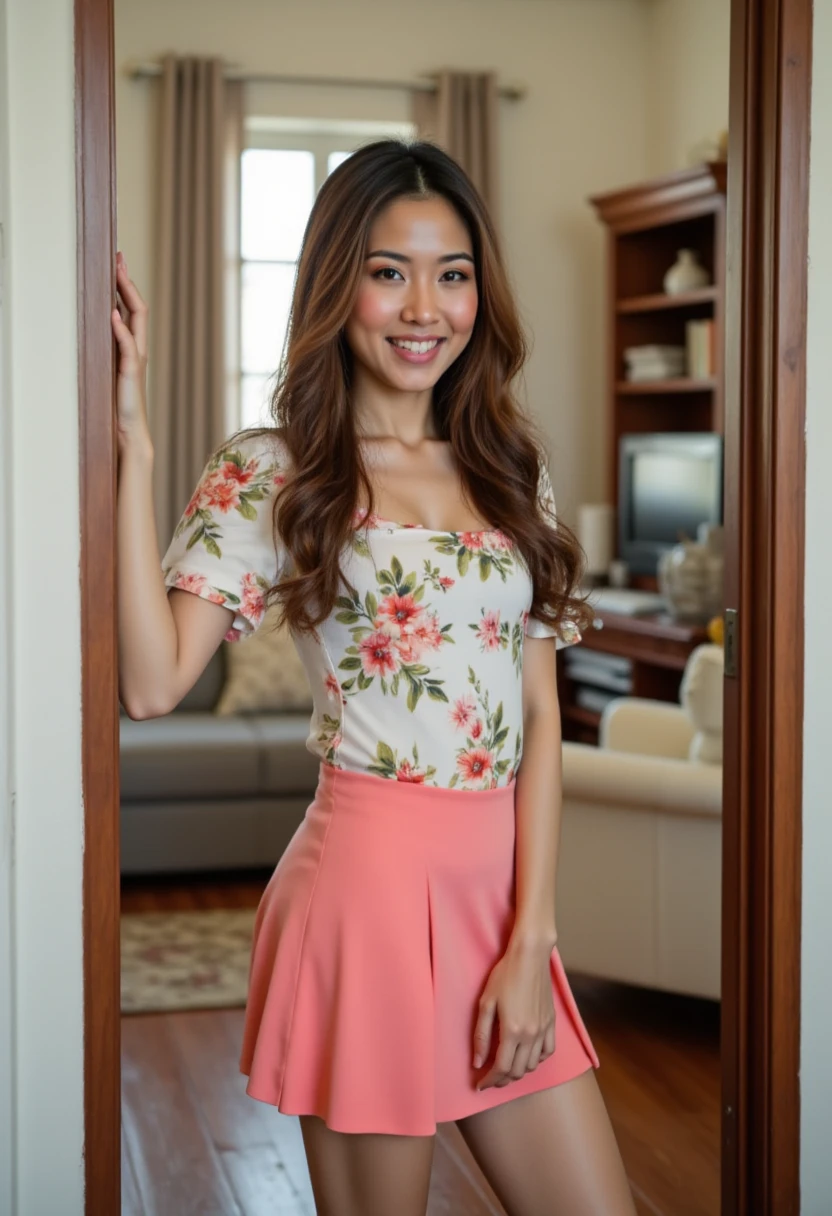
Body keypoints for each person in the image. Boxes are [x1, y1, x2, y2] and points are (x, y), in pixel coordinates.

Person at [112, 138, 637, 1216]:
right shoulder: (275, 470)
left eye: (452, 275)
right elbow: (153, 682)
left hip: (502, 905)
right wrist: (135, 445)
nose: (423, 307)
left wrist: (533, 930)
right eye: (389, 271)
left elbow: (540, 717)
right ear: (337, 282)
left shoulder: (509, 468)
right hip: (363, 900)